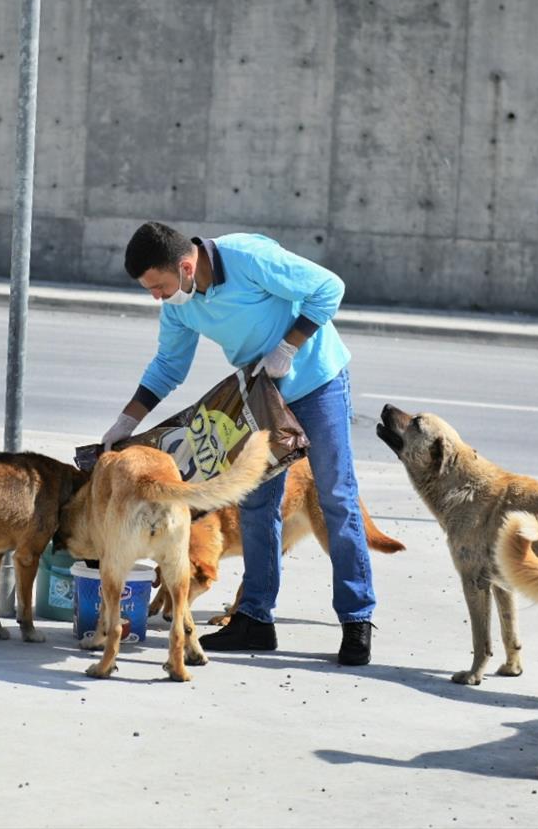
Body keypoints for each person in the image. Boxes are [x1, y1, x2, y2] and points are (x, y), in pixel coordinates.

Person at [100, 222, 376, 665]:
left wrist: (288, 346)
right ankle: (255, 620)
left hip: (317, 381)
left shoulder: (247, 258)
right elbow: (169, 366)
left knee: (336, 496)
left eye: (159, 286)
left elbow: (330, 287)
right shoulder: (180, 305)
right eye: (150, 290)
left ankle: (356, 618)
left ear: (186, 266)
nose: (157, 296)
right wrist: (125, 421)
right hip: (262, 395)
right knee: (255, 503)